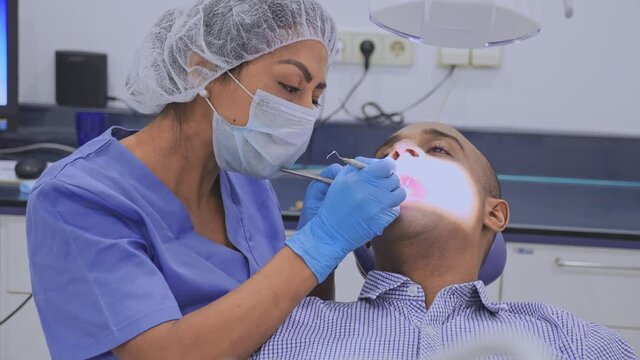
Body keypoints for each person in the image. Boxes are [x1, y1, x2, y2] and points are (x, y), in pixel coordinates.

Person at [25, 1, 406, 359]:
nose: (304, 113)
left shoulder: (247, 186)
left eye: (315, 97)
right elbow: (164, 353)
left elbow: (289, 328)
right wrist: (319, 243)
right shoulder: (76, 199)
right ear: (202, 70)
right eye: (290, 87)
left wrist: (322, 262)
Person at [251, 122, 637, 360]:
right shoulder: (286, 326)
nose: (399, 154)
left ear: (494, 214)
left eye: (438, 150)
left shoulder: (570, 339)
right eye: (386, 155)